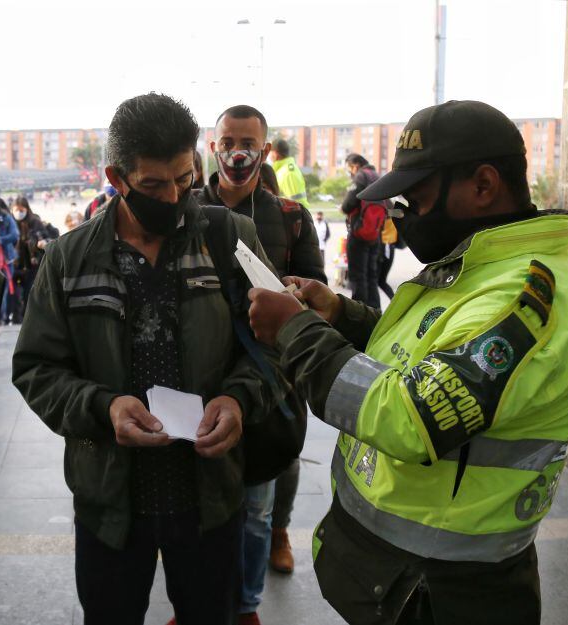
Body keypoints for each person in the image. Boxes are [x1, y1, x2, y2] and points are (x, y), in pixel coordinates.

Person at [246, 100, 568, 625]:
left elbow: (411, 416)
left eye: (416, 198)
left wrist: (293, 330)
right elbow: (424, 359)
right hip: (405, 578)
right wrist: (341, 316)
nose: (404, 214)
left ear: (483, 185)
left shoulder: (528, 298)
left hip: (449, 590)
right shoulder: (477, 269)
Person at [13, 93, 275, 625]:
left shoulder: (231, 239)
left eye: (185, 179)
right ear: (116, 176)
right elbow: (36, 369)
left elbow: (277, 345)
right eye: (155, 185)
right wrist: (103, 407)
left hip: (209, 500)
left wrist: (239, 398)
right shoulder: (68, 258)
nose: (175, 196)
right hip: (111, 503)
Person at [196, 105, 324, 622]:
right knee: (196, 507)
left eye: (248, 142)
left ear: (265, 151)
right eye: (227, 141)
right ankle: (199, 599)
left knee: (256, 506)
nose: (237, 151)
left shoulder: (290, 217)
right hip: (199, 377)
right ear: (213, 146)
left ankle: (248, 602)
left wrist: (289, 292)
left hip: (270, 379)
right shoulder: (185, 208)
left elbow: (317, 291)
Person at [341, 153, 383, 308]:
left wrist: (343, 207)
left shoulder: (360, 177)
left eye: (349, 169)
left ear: (355, 165)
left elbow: (348, 205)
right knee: (372, 276)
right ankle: (375, 312)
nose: (350, 173)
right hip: (375, 235)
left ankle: (359, 313)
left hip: (358, 233)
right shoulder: (377, 177)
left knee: (358, 276)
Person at [9, 196, 58, 324]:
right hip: (14, 264)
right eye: (16, 210)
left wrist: (40, 243)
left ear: (27, 209)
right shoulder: (10, 222)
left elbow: (45, 238)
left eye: (22, 210)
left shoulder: (35, 222)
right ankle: (16, 318)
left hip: (32, 264)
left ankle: (28, 319)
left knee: (29, 293)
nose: (19, 213)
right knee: (14, 294)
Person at [269, 139, 308, 205]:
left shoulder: (288, 173)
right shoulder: (283, 170)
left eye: (270, 152)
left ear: (275, 154)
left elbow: (296, 206)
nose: (269, 156)